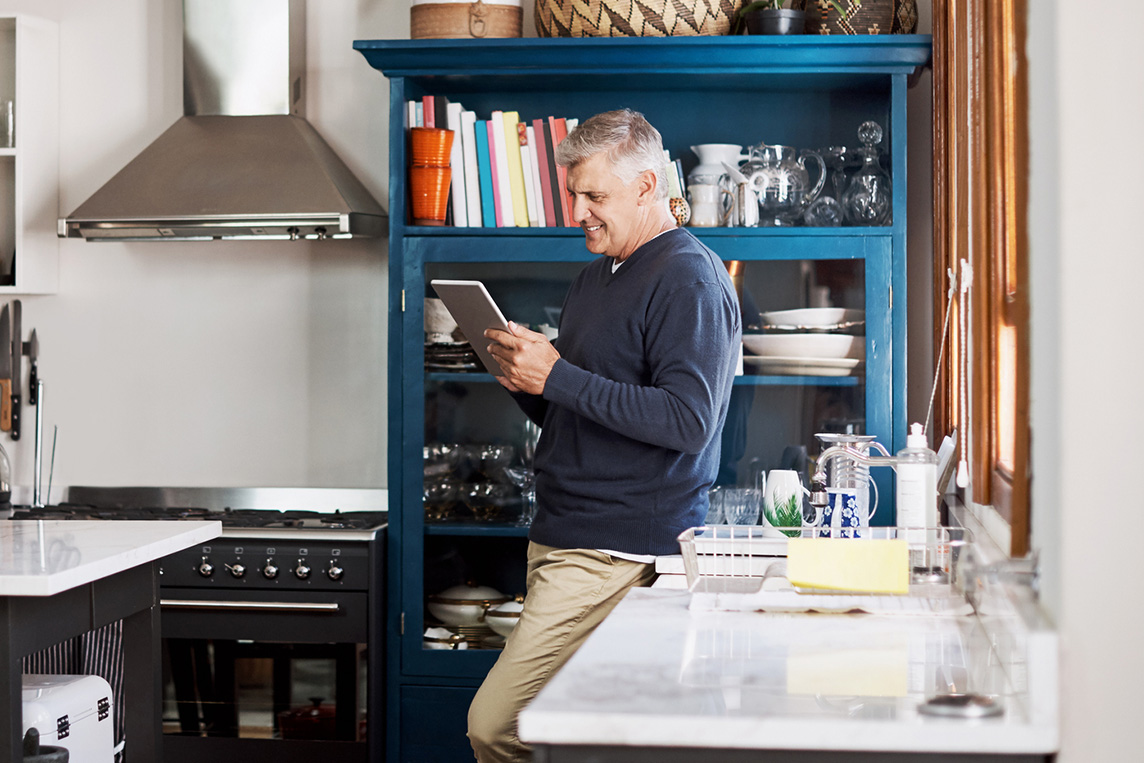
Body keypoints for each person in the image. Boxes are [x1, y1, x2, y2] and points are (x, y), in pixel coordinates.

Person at [466, 109, 741, 763]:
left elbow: (687, 421)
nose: (579, 212)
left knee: (496, 725)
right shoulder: (596, 277)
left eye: (595, 196)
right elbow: (583, 412)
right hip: (564, 540)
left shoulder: (689, 277)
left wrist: (557, 374)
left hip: (613, 553)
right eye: (574, 196)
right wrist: (529, 383)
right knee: (577, 736)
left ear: (647, 186)